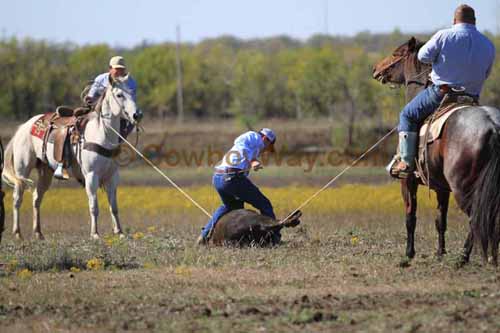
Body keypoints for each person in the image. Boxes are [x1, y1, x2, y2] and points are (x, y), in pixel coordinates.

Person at [392, 4, 495, 178]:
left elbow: (422, 56)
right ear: (475, 21)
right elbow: (486, 73)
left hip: (441, 94)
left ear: (454, 20)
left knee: (407, 115)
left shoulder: (444, 35)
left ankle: (407, 162)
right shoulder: (488, 44)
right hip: (471, 99)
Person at [54, 56, 140, 179]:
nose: (119, 72)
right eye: (117, 69)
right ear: (110, 69)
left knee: (131, 123)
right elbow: (89, 97)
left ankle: (115, 148)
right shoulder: (101, 79)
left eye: (122, 69)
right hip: (98, 111)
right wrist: (96, 103)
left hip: (122, 114)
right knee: (77, 124)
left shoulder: (131, 82)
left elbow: (131, 103)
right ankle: (64, 160)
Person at [197, 128, 278, 245]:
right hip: (231, 178)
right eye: (268, 147)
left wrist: (252, 159)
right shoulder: (253, 137)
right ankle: (274, 237)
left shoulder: (254, 148)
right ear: (265, 139)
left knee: (231, 206)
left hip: (219, 178)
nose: (266, 150)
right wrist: (252, 161)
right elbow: (241, 145)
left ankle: (205, 236)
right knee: (265, 204)